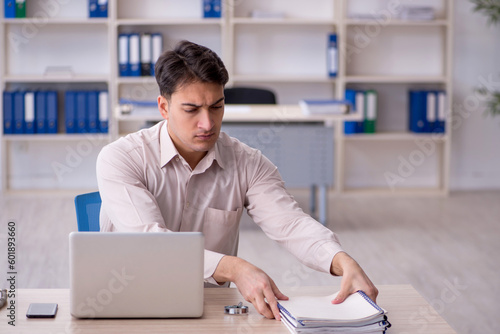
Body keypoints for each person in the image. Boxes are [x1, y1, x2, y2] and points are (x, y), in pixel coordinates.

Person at [96, 40, 378, 321]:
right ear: (164, 107)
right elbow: (149, 243)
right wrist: (234, 268)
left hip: (207, 307)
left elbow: (290, 223)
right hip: (126, 305)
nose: (207, 124)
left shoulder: (248, 163)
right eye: (192, 110)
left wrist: (341, 260)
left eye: (216, 107)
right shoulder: (121, 158)